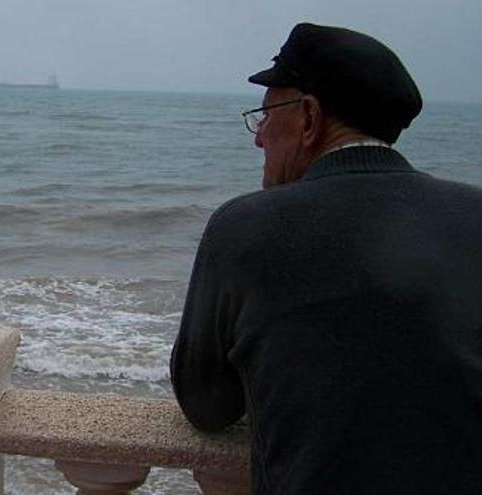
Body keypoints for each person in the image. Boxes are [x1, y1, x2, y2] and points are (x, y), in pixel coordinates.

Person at [170, 23, 482, 494]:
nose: (258, 138)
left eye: (265, 115)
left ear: (309, 118)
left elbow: (206, 403)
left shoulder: (244, 227)